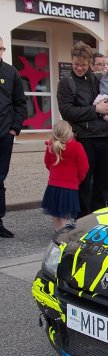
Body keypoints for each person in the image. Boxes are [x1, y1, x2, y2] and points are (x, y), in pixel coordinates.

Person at [57, 41, 108, 217]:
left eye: (83, 65)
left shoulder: (98, 79)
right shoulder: (66, 83)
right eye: (76, 64)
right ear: (72, 61)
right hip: (83, 139)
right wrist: (96, 110)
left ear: (90, 64)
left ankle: (97, 217)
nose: (79, 68)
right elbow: (67, 111)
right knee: (83, 182)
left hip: (105, 136)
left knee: (103, 181)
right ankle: (82, 219)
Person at [0, 37, 27, 238]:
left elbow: (20, 103)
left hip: (4, 136)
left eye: (0, 48)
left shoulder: (11, 73)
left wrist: (14, 129)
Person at [42, 120, 89, 231]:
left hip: (53, 185)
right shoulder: (77, 146)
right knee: (65, 216)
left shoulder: (51, 145)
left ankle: (57, 235)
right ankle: (64, 239)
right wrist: (78, 180)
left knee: (55, 214)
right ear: (70, 132)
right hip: (69, 186)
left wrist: (54, 174)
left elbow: (47, 162)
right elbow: (84, 167)